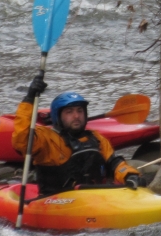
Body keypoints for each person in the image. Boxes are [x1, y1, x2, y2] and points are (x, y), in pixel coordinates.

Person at [12, 77, 142, 196]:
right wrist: (29, 99)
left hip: (93, 198)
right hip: (56, 202)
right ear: (58, 116)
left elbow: (115, 164)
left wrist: (130, 175)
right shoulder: (46, 138)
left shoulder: (97, 138)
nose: (76, 116)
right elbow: (21, 141)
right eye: (69, 112)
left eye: (80, 111)